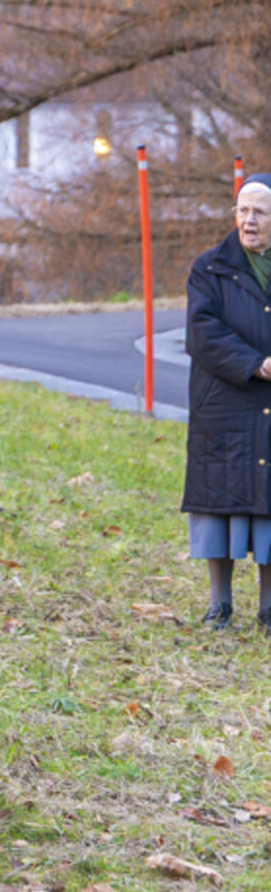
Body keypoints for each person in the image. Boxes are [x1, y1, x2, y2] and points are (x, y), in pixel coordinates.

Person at [184, 173, 271, 630]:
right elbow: (202, 333)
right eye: (243, 211)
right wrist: (256, 364)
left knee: (270, 506)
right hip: (223, 403)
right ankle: (220, 604)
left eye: (259, 212)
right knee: (219, 504)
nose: (249, 220)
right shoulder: (210, 267)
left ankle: (269, 607)